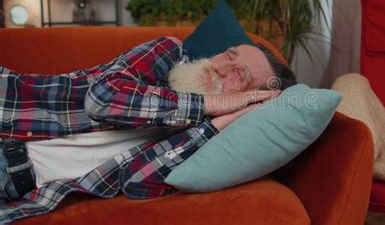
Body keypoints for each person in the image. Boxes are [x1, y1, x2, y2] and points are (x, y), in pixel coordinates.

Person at [0, 36, 296, 222]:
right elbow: (102, 98)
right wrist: (210, 104)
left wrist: (224, 120)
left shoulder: (195, 143)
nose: (221, 67)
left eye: (239, 75)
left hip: (14, 187)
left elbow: (137, 182)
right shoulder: (168, 52)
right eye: (229, 55)